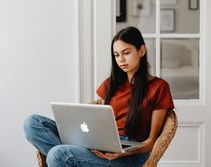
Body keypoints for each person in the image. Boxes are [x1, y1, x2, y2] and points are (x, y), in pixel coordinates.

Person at [23, 26, 174, 167]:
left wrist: (121, 152)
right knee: (33, 123)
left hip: (131, 155)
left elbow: (151, 142)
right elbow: (99, 122)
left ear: (141, 51)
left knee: (57, 154)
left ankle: (65, 158)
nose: (121, 59)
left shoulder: (159, 87)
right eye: (116, 55)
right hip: (101, 145)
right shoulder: (111, 84)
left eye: (126, 53)